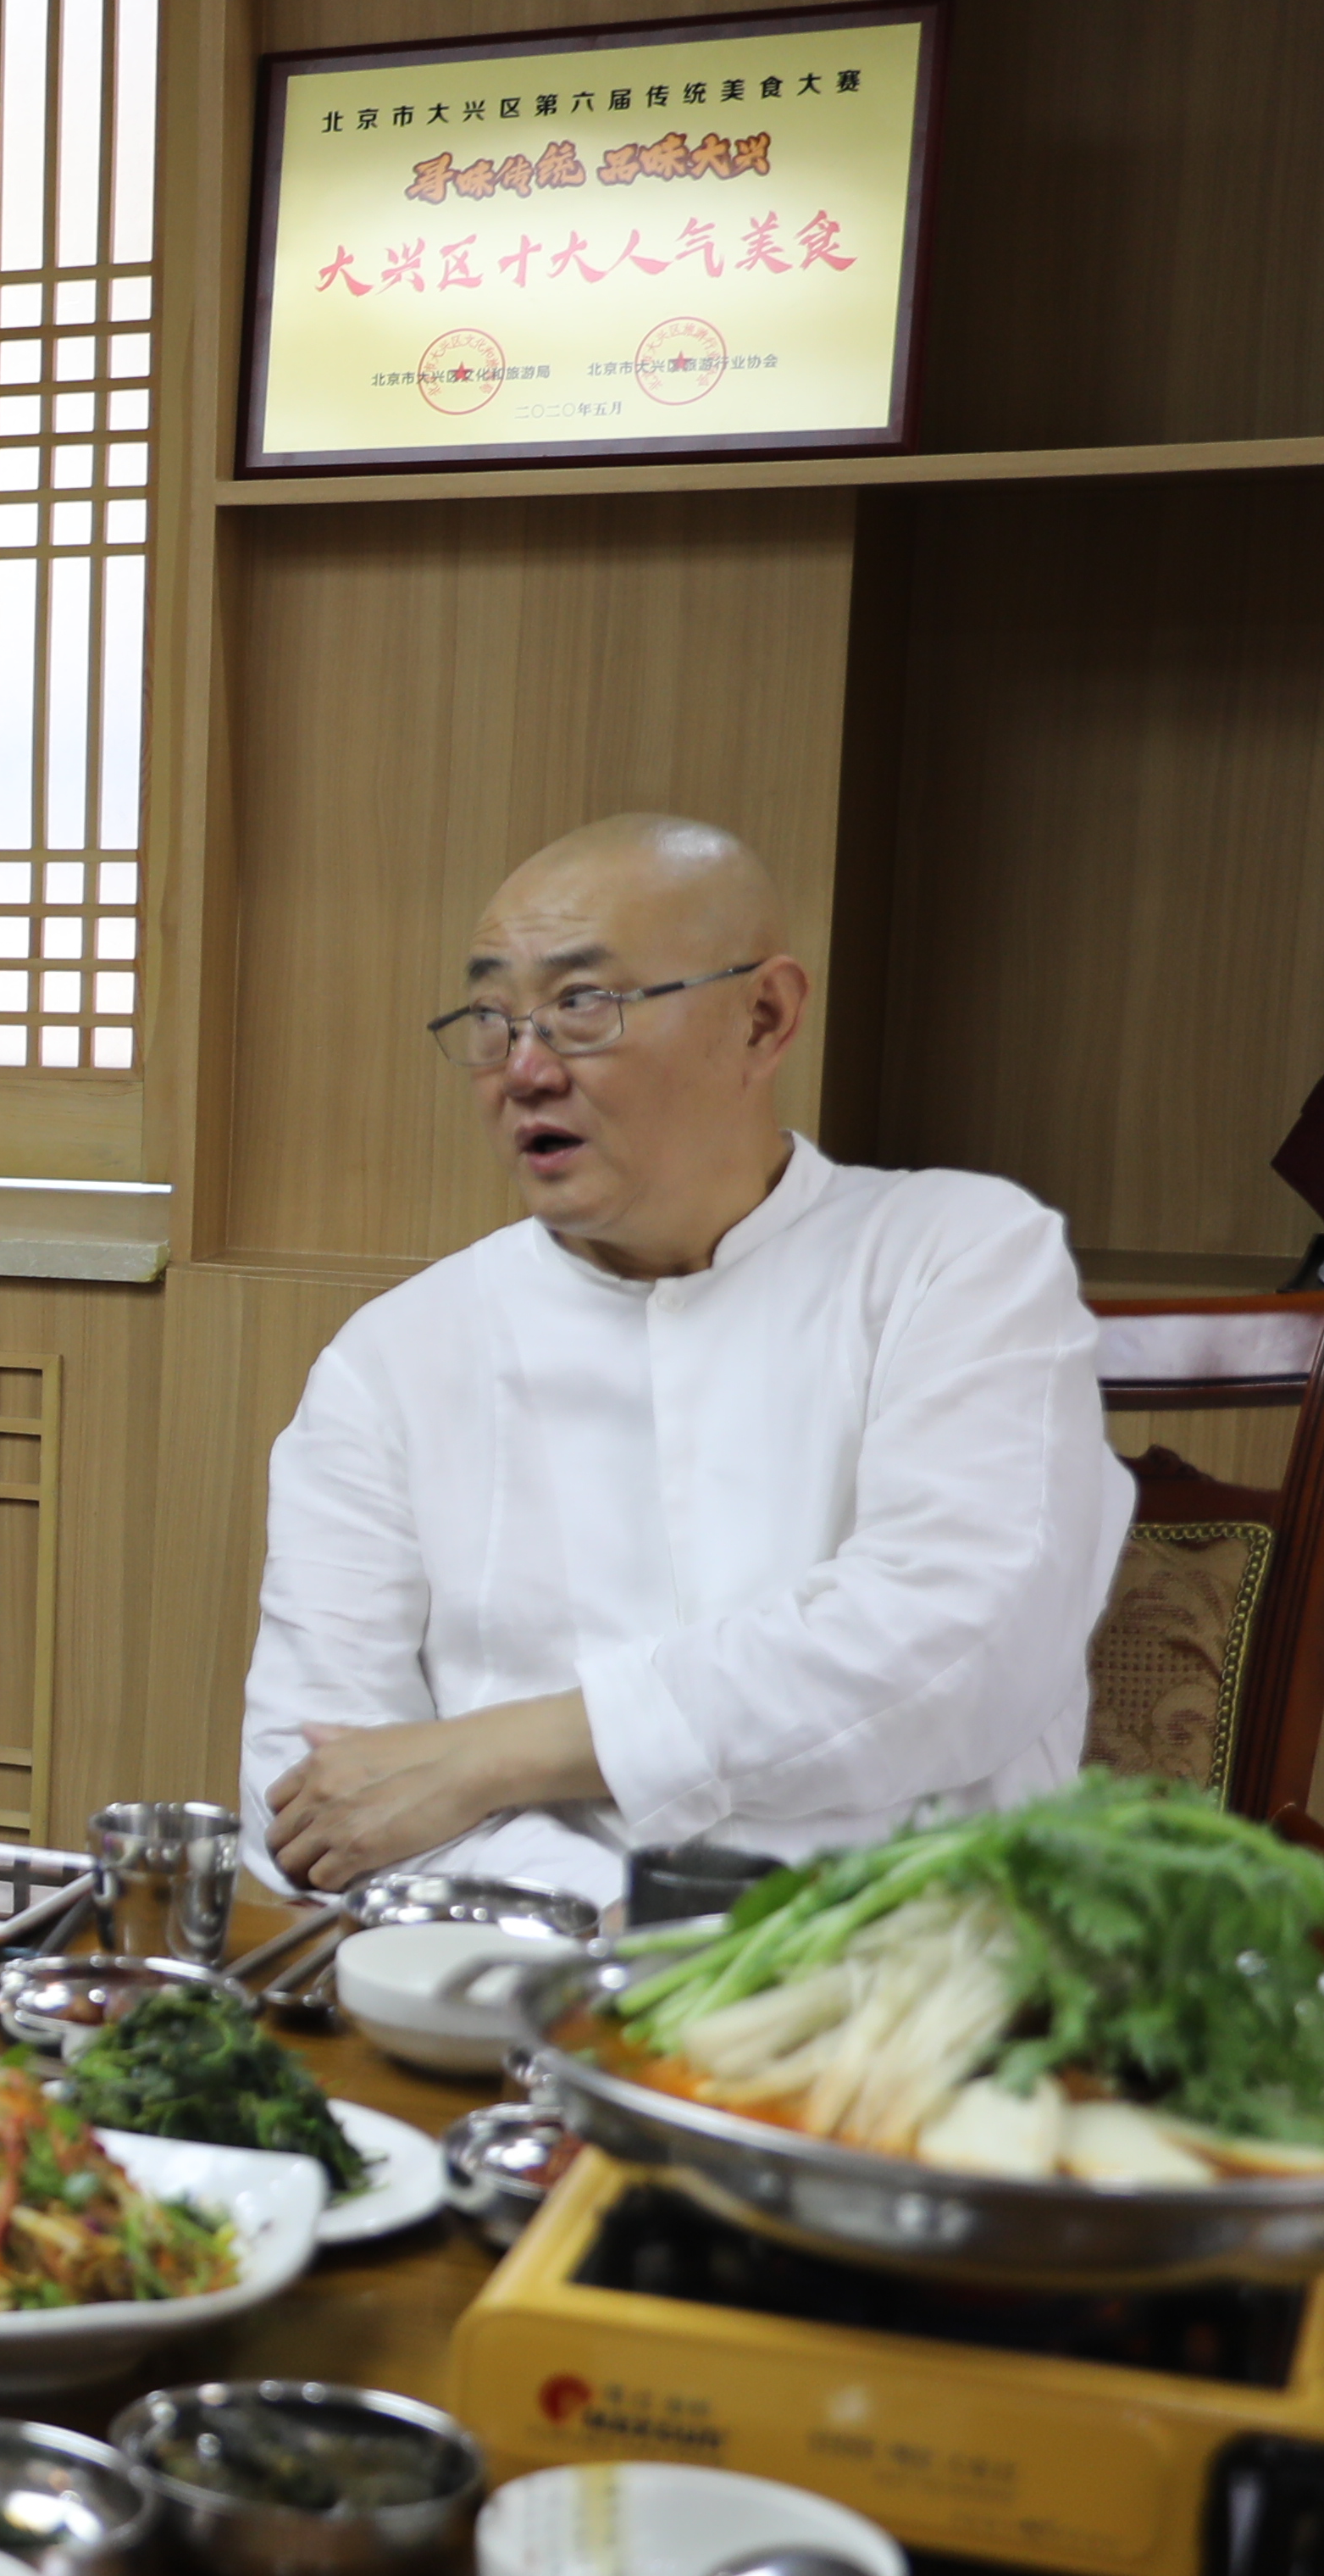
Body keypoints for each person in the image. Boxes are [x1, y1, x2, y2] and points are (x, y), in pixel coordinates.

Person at [242, 812, 1126, 1908]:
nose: (524, 1070)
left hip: (910, 1968)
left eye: (582, 1006)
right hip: (521, 1971)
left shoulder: (958, 1256)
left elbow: (957, 1650)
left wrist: (493, 1754)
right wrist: (629, 1927)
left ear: (764, 1018)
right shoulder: (393, 1358)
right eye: (492, 1019)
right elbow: (314, 1801)